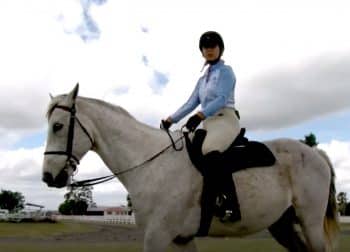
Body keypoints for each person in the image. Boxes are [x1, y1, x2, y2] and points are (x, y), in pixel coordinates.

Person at [161, 31, 241, 236]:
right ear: (202, 51)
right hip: (209, 123)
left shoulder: (226, 72)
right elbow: (190, 102)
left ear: (220, 48)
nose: (209, 49)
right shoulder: (203, 79)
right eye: (205, 47)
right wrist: (171, 119)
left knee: (210, 149)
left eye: (213, 46)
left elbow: (222, 98)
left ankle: (231, 204)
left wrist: (200, 115)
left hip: (226, 119)